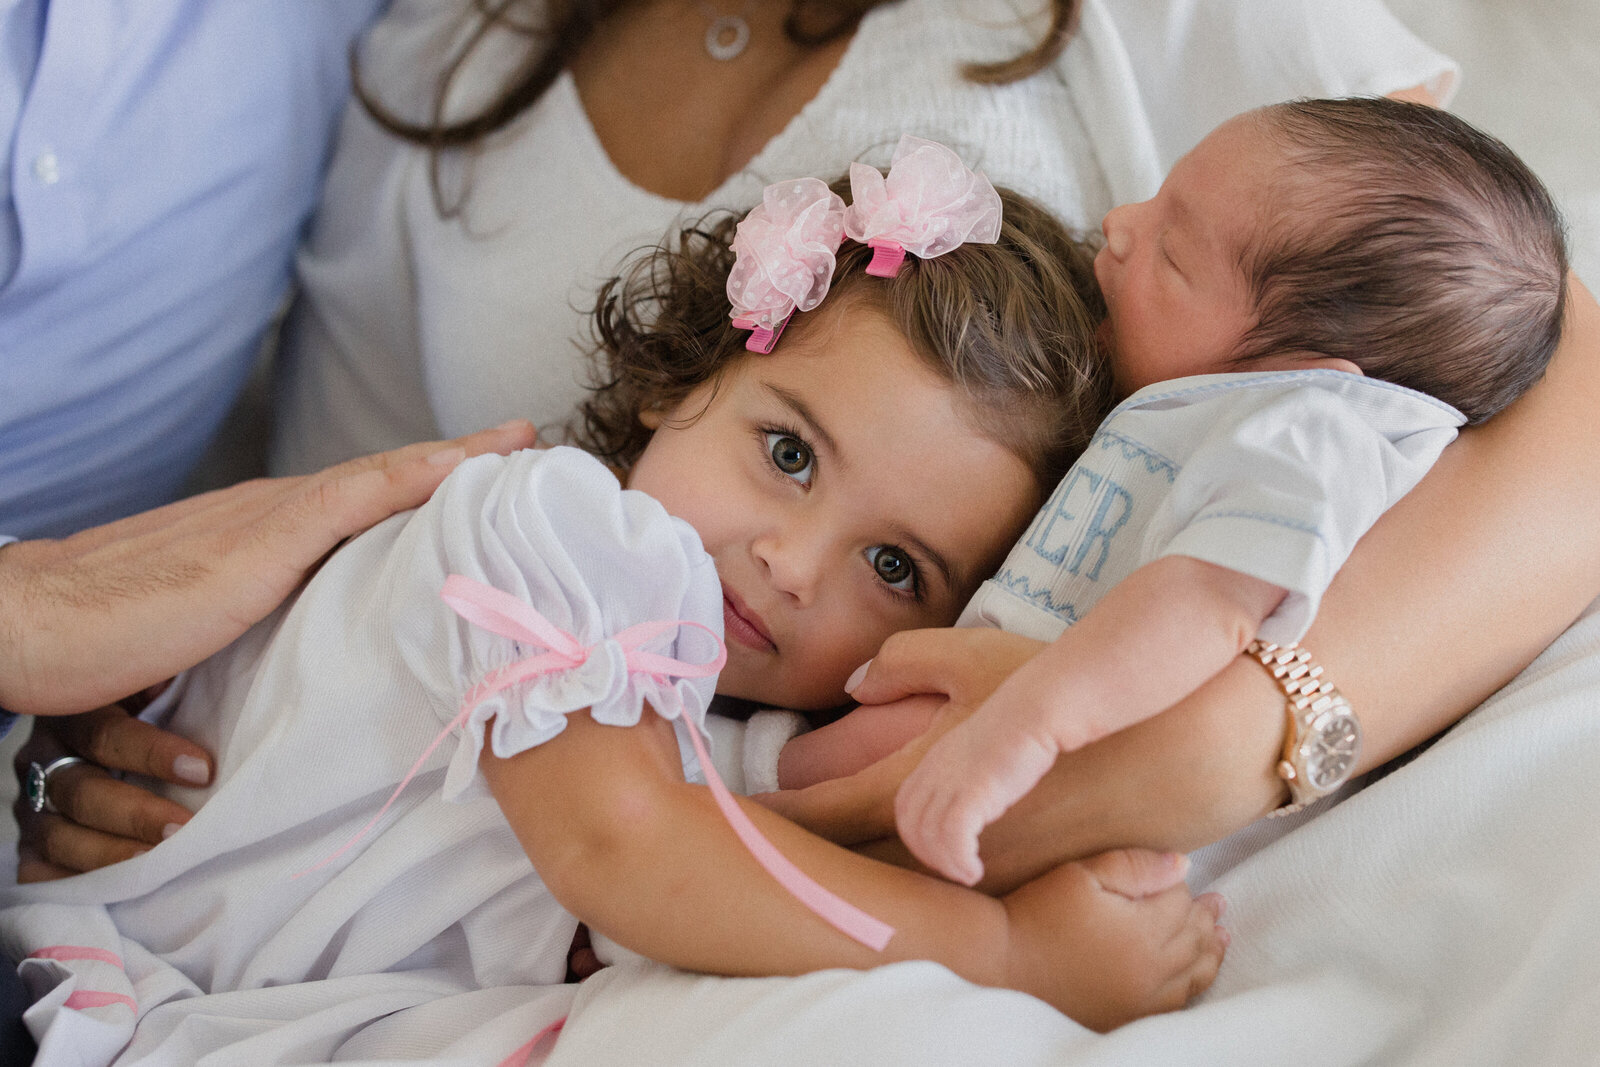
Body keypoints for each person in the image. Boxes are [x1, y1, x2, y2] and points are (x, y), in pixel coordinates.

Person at [29, 0, 1600, 933]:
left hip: (950, 830)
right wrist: (150, 729)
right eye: (783, 448)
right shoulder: (441, 54)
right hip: (491, 854)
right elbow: (336, 530)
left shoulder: (1158, 25)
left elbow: (1554, 375)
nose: (793, 547)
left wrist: (1220, 734)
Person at [1, 160, 1225, 1064]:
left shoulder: (713, 727)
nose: (794, 564)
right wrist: (1005, 954)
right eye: (789, 453)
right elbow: (627, 849)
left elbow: (773, 837)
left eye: (895, 566)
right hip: (73, 949)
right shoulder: (555, 530)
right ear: (686, 377)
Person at [818, 98, 1566, 886]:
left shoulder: (1311, 437)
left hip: (1050, 743)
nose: (1117, 223)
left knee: (826, 781)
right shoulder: (1224, 409)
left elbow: (1209, 601)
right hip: (993, 702)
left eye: (1171, 254)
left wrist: (1029, 727)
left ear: (1295, 377)